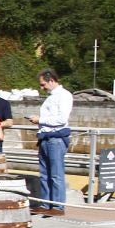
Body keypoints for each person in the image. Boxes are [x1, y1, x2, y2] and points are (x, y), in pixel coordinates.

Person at [28, 69, 73, 216]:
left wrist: (40, 120)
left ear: (52, 81)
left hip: (56, 138)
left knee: (56, 174)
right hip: (45, 138)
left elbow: (62, 119)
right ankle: (45, 204)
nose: (42, 87)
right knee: (45, 174)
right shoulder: (51, 97)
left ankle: (58, 206)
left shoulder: (64, 96)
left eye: (43, 84)